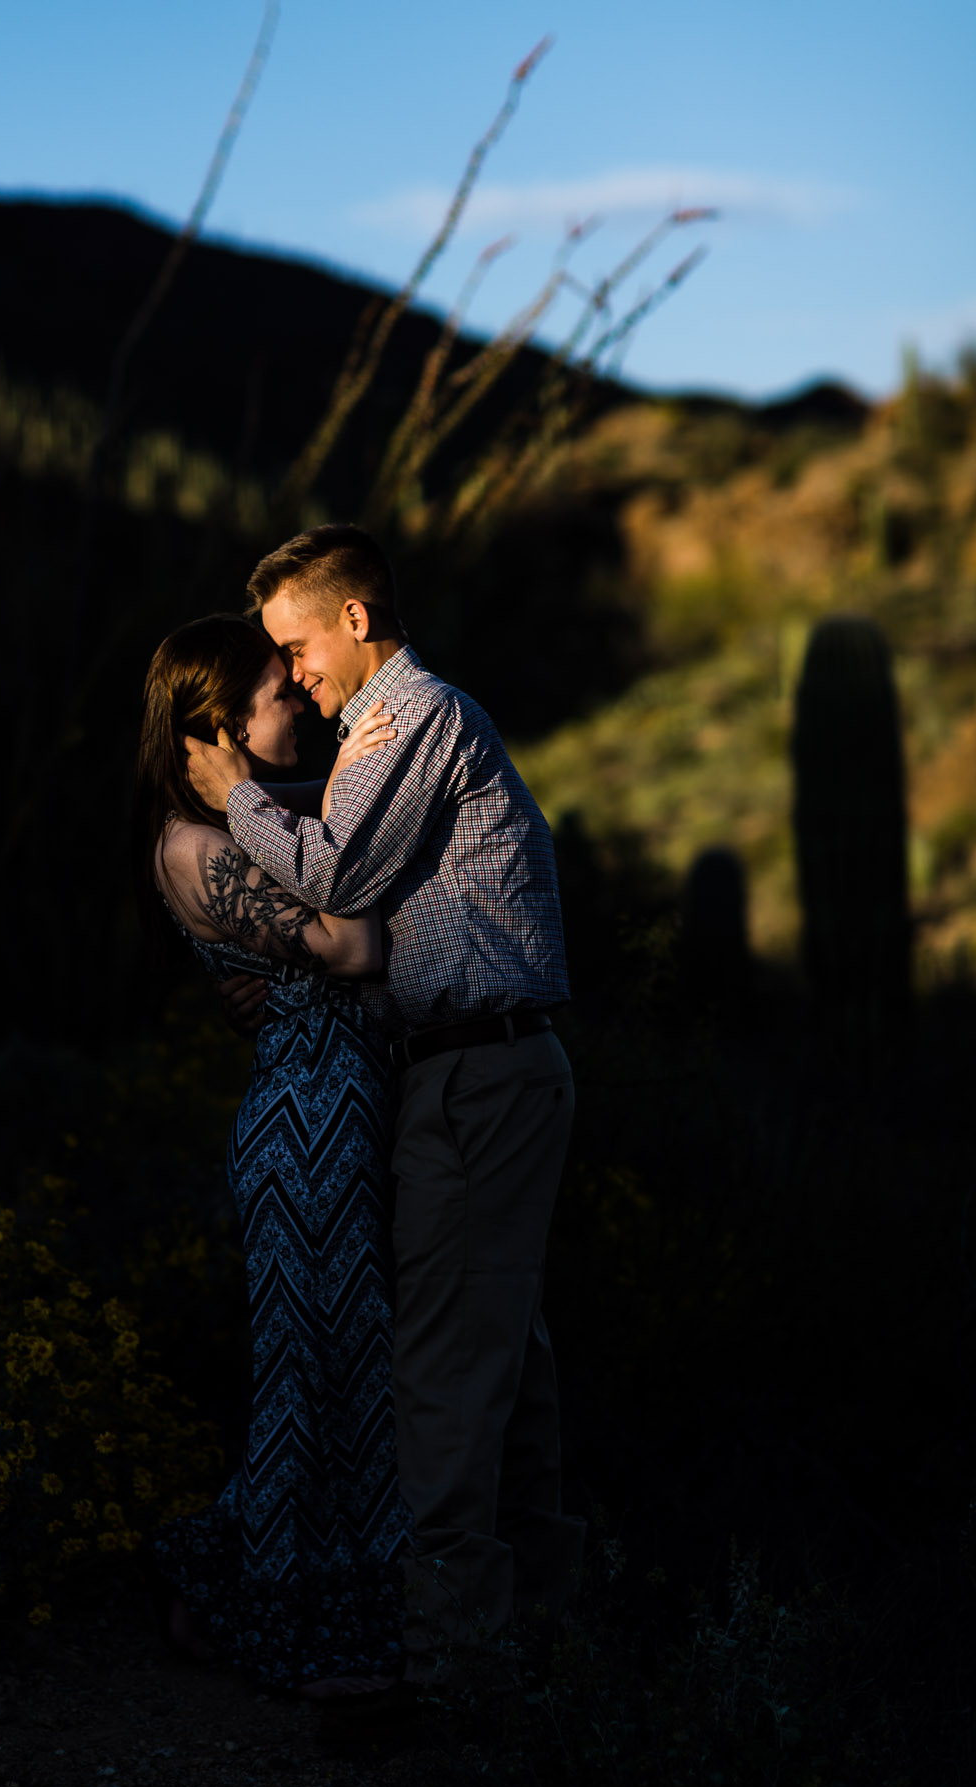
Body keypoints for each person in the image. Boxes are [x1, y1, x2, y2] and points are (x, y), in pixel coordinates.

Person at [185, 526, 583, 1699]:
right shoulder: (378, 738)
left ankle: (448, 1668)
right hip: (480, 1070)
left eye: (297, 646)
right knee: (508, 1358)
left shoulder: (414, 719)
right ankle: (544, 1651)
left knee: (448, 1366)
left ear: (355, 620)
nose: (294, 673)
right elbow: (341, 847)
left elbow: (342, 873)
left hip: (475, 1073)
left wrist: (234, 794)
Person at [131, 613, 411, 1699]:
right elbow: (352, 943)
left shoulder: (251, 831)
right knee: (320, 1379)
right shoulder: (193, 846)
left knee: (350, 1370)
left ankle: (245, 1596)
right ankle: (273, 1605)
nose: (299, 701)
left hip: (340, 1111)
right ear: (217, 728)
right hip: (306, 1129)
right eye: (276, 695)